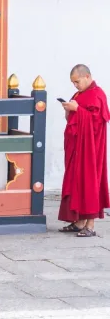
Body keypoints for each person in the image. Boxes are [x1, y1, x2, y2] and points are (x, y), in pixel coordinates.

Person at [58, 64, 110, 238]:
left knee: (89, 182)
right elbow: (75, 119)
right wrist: (69, 110)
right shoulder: (79, 94)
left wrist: (77, 110)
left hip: (91, 150)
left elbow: (96, 122)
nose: (75, 86)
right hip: (77, 148)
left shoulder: (97, 95)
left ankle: (91, 225)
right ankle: (79, 222)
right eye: (73, 83)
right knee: (75, 181)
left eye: (77, 81)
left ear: (87, 76)